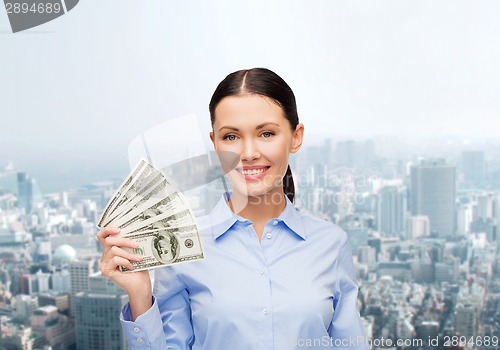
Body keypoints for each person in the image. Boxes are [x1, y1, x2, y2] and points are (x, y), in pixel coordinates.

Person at [97, 68, 368, 349]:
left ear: (296, 137)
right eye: (231, 137)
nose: (248, 153)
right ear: (215, 144)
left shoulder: (331, 244)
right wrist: (140, 294)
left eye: (266, 133)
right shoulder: (184, 248)